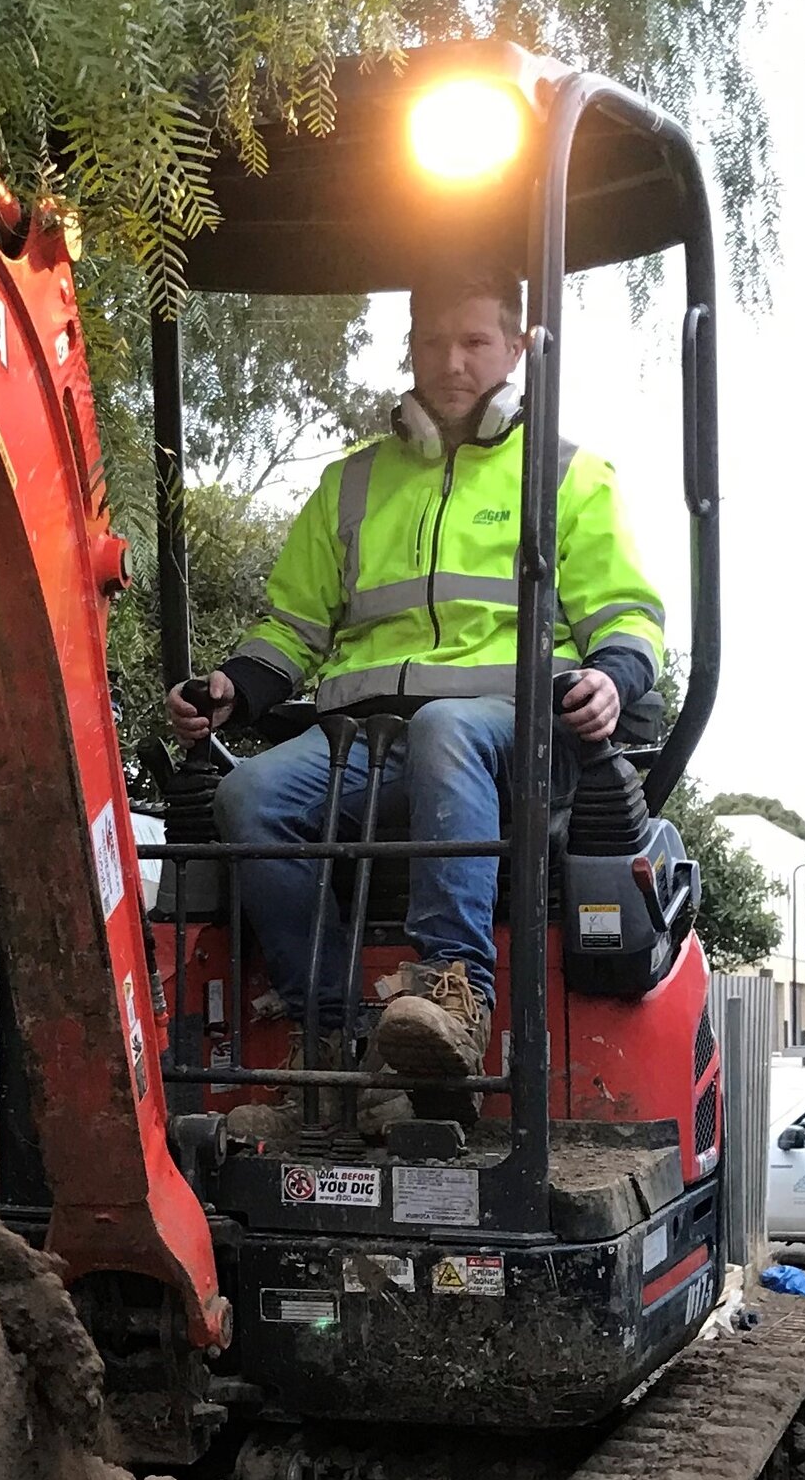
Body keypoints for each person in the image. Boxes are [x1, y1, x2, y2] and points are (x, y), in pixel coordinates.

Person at [165, 265, 663, 1085]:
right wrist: (235, 687)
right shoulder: (351, 485)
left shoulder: (570, 476)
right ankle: (328, 1028)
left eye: (474, 342)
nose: (453, 361)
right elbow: (292, 625)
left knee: (446, 726)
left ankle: (453, 997)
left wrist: (614, 675)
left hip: (516, 738)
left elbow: (628, 615)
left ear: (515, 349)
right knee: (246, 796)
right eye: (435, 341)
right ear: (411, 348)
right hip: (368, 743)